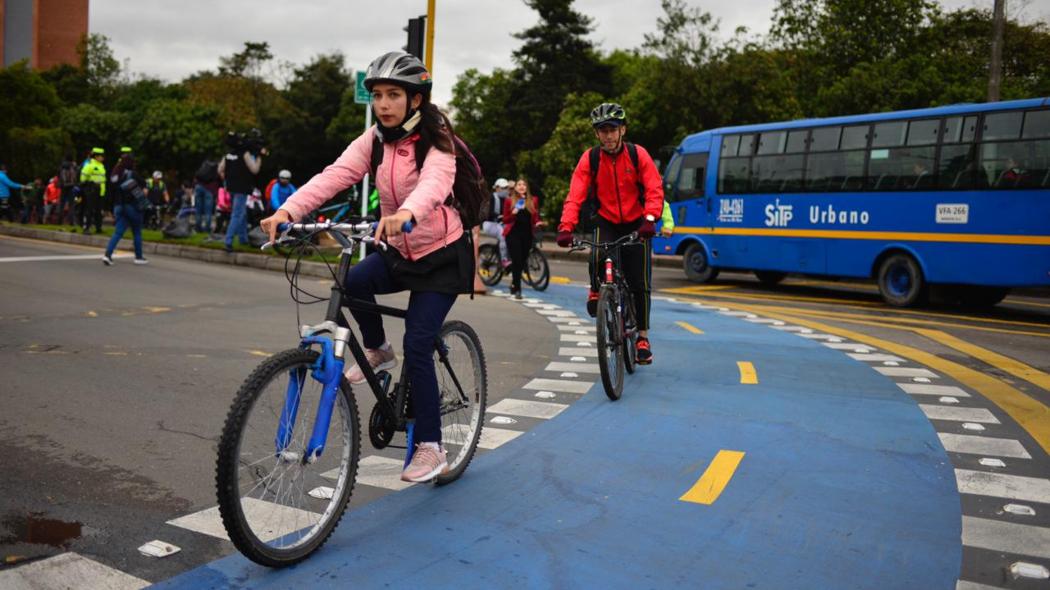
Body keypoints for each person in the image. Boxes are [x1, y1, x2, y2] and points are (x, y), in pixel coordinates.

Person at [261, 51, 472, 483]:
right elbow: (334, 175)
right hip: (399, 248)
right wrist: (288, 210)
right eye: (377, 95)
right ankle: (376, 348)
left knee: (419, 342)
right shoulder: (374, 140)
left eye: (394, 94)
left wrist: (407, 212)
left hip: (441, 256)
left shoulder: (438, 140)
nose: (384, 104)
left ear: (416, 100)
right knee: (353, 282)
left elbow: (435, 183)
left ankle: (432, 446)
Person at [555, 103, 664, 365]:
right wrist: (565, 227)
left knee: (640, 283)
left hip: (638, 222)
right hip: (607, 220)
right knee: (596, 254)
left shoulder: (639, 155)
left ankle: (642, 338)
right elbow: (575, 196)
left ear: (622, 130)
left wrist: (650, 220)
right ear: (596, 134)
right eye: (602, 130)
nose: (608, 135)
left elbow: (654, 189)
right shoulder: (590, 159)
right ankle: (596, 292)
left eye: (612, 129)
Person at [218, 131, 263, 252]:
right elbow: (254, 170)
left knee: (241, 213)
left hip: (231, 188)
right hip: (241, 189)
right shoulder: (245, 154)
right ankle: (228, 241)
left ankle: (243, 239)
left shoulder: (228, 155)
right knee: (237, 214)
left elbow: (220, 169)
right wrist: (259, 157)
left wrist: (228, 178)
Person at [102, 153, 148, 266]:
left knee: (118, 232)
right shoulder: (133, 174)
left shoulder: (115, 175)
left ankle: (108, 255)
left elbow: (111, 191)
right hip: (131, 206)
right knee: (137, 231)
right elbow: (144, 185)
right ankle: (138, 257)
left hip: (118, 206)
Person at [502, 178, 543, 299]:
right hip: (513, 234)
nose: (521, 187)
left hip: (527, 235)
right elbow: (505, 219)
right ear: (515, 187)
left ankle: (514, 283)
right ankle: (517, 289)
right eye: (519, 184)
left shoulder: (533, 200)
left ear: (527, 188)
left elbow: (535, 217)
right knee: (517, 261)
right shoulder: (510, 201)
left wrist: (538, 223)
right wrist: (513, 213)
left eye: (524, 185)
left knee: (521, 262)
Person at [481, 178, 511, 267]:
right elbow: (488, 212)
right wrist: (498, 215)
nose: (505, 190)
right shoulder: (492, 197)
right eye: (503, 188)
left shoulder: (506, 199)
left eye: (506, 188)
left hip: (500, 224)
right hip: (489, 224)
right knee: (503, 235)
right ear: (497, 188)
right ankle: (504, 260)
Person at [80, 147, 107, 234]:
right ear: (96, 157)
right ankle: (86, 228)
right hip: (91, 190)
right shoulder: (89, 165)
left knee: (98, 210)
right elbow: (83, 178)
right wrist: (89, 185)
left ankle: (98, 228)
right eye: (101, 156)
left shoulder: (101, 166)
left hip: (100, 191)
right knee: (89, 209)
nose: (103, 158)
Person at [58, 155, 79, 226]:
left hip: (63, 186)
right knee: (71, 205)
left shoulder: (62, 165)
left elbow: (59, 175)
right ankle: (71, 221)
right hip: (71, 186)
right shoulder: (74, 166)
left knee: (61, 204)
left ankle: (59, 220)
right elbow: (77, 173)